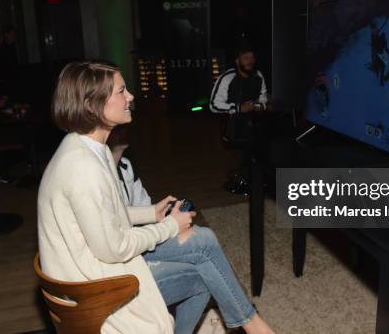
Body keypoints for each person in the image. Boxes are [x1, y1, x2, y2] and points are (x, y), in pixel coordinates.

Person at [38, 61, 275, 334]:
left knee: (204, 241)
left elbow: (107, 215)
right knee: (203, 277)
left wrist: (151, 214)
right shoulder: (83, 169)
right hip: (96, 285)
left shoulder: (92, 148)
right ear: (93, 104)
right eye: (121, 91)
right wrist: (169, 227)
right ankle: (253, 325)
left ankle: (251, 323)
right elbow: (114, 249)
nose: (130, 97)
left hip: (101, 261)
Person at [209, 45, 268, 194]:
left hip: (254, 122)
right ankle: (242, 179)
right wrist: (238, 108)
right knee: (248, 147)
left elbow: (264, 98)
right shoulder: (227, 77)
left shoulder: (258, 75)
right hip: (233, 124)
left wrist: (259, 105)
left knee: (262, 142)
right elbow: (213, 105)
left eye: (252, 58)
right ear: (237, 61)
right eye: (246, 58)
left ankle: (253, 180)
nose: (250, 61)